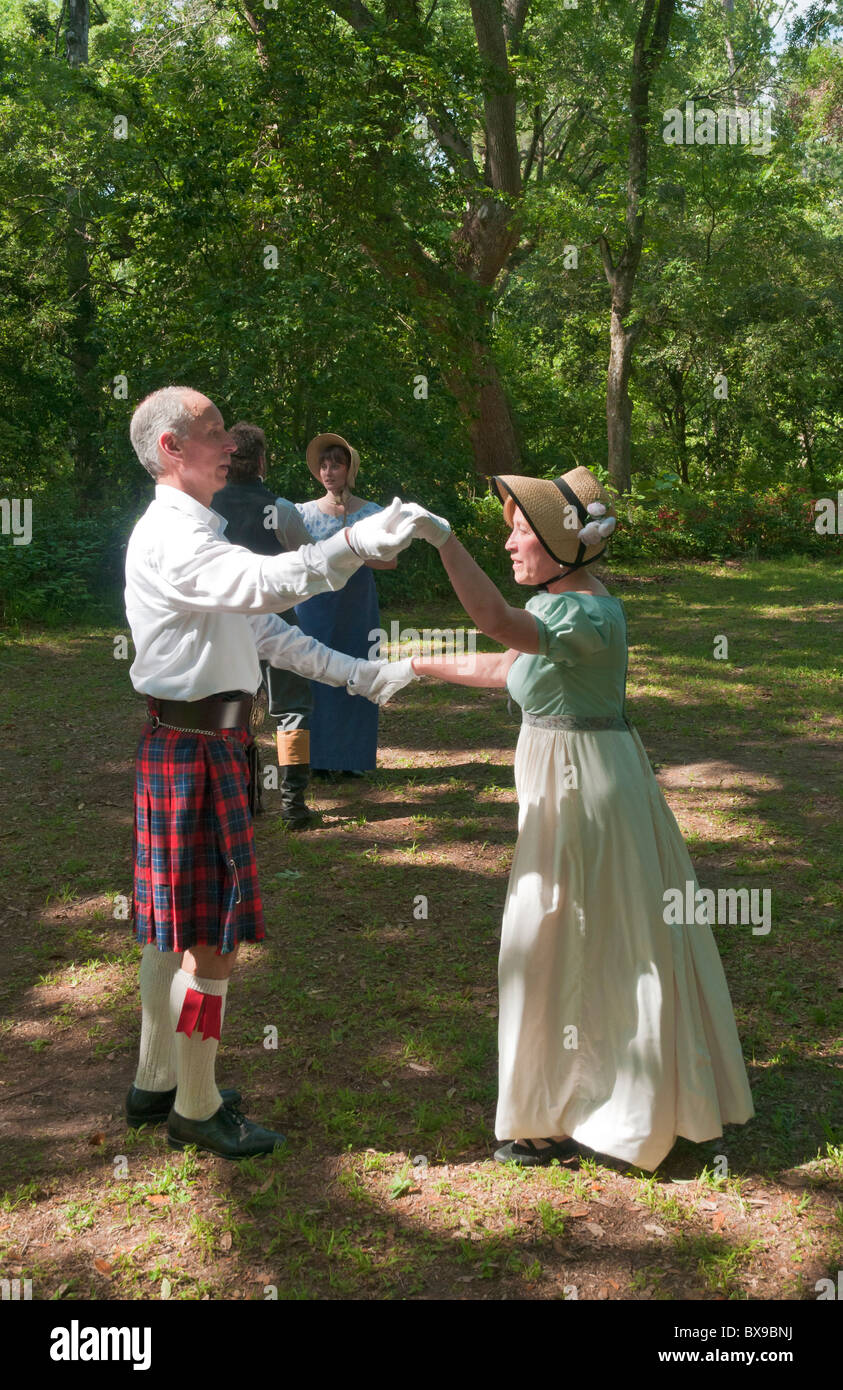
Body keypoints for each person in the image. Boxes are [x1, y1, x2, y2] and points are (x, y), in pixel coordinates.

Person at [401, 470, 755, 1171]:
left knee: (574, 937)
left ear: (565, 549)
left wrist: (442, 543)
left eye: (520, 532)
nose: (508, 543)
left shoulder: (589, 614)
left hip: (588, 791)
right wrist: (409, 665)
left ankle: (598, 1104)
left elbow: (497, 624)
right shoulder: (558, 607)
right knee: (566, 938)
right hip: (565, 784)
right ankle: (567, 1102)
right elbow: (504, 665)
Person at [123, 387, 418, 1160]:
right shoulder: (177, 540)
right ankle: (194, 1101)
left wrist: (358, 676)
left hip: (197, 747)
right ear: (170, 450)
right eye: (213, 431)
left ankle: (157, 1081)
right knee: (209, 946)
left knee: (169, 934)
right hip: (194, 752)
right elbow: (269, 585)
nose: (231, 443)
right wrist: (357, 541)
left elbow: (266, 633)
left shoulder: (197, 533)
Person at [211, 421, 318, 829]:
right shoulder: (282, 509)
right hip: (277, 621)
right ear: (261, 461)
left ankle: (237, 799)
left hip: (224, 624)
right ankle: (293, 803)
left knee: (229, 713)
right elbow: (311, 565)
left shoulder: (205, 510)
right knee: (291, 713)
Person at [293, 434, 393, 778]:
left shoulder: (371, 514)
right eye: (323, 465)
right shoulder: (302, 513)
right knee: (315, 677)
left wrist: (354, 550)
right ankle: (316, 760)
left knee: (358, 674)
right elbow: (293, 561)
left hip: (357, 607)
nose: (328, 470)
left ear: (349, 468)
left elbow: (389, 560)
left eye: (336, 463)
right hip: (314, 607)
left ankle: (351, 761)